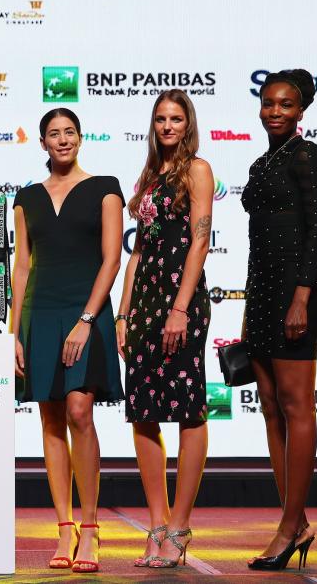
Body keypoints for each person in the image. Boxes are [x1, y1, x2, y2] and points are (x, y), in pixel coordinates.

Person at [12, 108, 123, 574]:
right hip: (39, 312)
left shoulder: (105, 188)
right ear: (42, 143)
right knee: (51, 419)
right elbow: (22, 266)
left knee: (80, 411)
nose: (62, 140)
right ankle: (64, 527)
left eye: (69, 132)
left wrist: (85, 320)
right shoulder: (26, 198)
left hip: (86, 311)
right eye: (54, 134)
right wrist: (15, 332)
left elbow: (112, 259)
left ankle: (91, 527)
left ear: (80, 138)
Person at [115, 90, 213, 569]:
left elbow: (200, 243)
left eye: (175, 118)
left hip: (181, 300)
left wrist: (180, 309)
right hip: (145, 303)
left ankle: (179, 526)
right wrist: (122, 313)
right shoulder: (150, 176)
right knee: (143, 413)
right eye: (160, 118)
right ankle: (156, 525)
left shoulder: (198, 170)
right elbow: (138, 251)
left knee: (189, 411)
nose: (168, 126)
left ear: (187, 124)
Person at [242, 69, 317, 570]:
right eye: (268, 103)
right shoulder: (262, 161)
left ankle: (288, 527)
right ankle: (295, 522)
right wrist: (250, 305)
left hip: (298, 289)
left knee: (296, 408)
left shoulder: (305, 154)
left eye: (286, 104)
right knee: (271, 409)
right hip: (262, 290)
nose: (275, 111)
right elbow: (259, 238)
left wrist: (301, 297)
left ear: (301, 111)